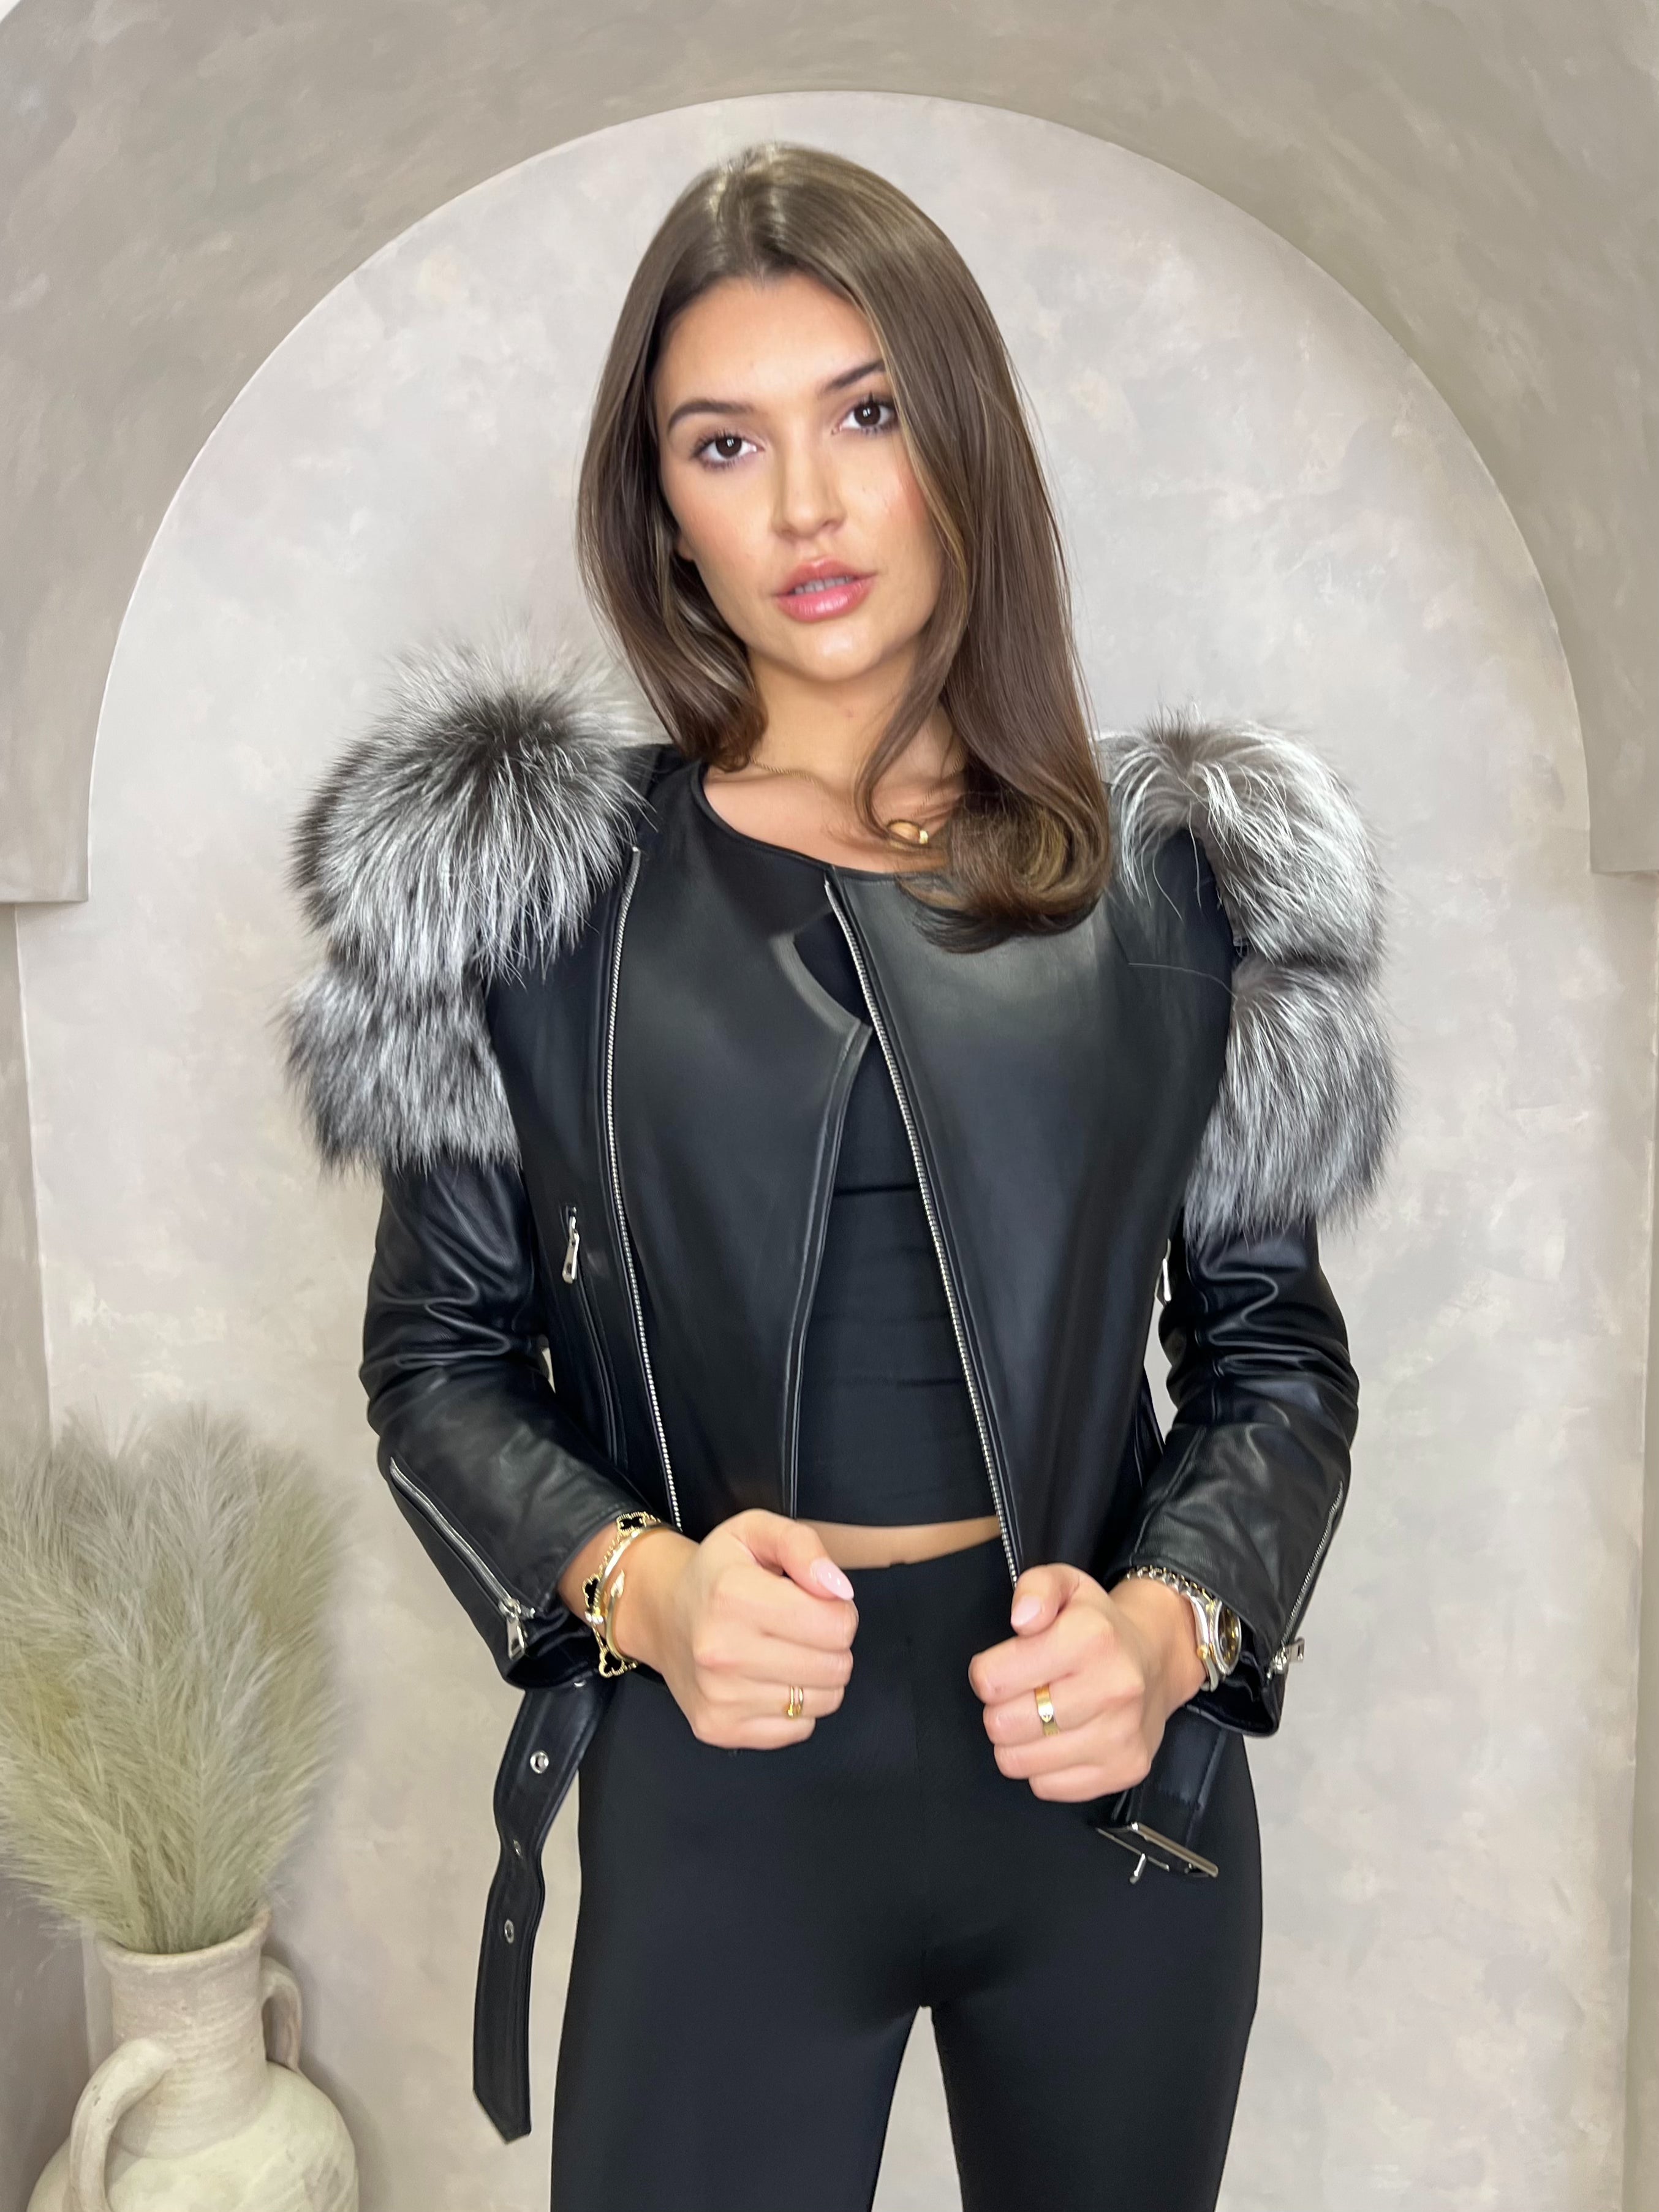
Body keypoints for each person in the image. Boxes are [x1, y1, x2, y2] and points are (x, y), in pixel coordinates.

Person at [284, 139, 1395, 2212]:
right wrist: (649, 1589)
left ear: (959, 439)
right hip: (725, 1797)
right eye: (725, 442)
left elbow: (1274, 1368)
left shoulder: (1178, 889)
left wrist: (1167, 1634)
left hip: (1102, 1807)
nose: (804, 503)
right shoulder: (529, 899)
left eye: (865, 413)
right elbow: (436, 1367)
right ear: (660, 510)